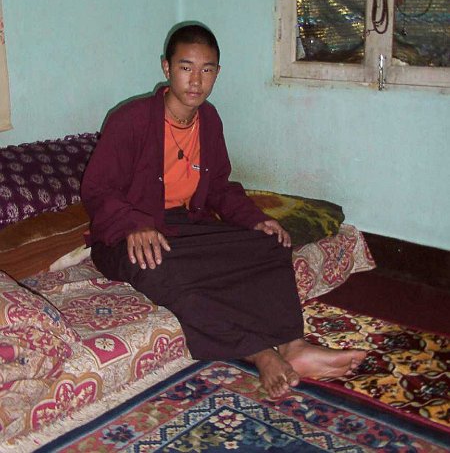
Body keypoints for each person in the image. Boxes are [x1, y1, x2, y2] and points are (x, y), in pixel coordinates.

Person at [81, 24, 366, 399]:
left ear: (217, 72)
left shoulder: (209, 120)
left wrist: (256, 219)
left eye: (207, 69)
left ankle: (294, 345)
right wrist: (134, 223)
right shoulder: (130, 119)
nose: (196, 80)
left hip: (184, 227)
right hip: (126, 236)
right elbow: (97, 189)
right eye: (186, 67)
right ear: (167, 67)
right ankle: (260, 353)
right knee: (170, 272)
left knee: (270, 244)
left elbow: (218, 188)